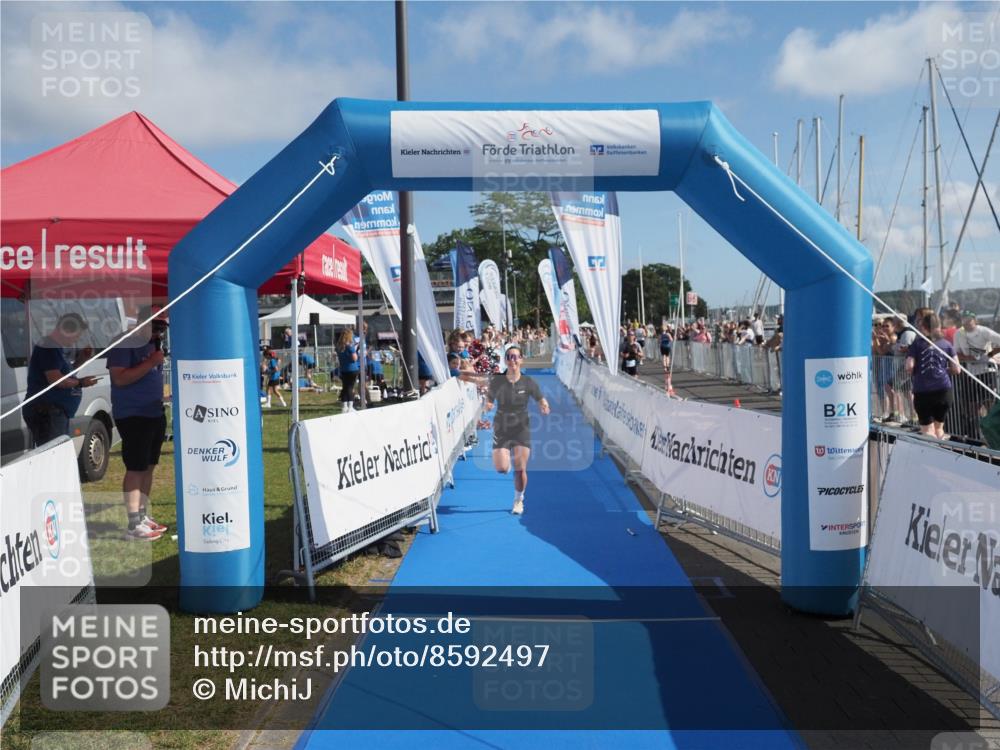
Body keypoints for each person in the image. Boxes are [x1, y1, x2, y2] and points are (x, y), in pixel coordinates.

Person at [106, 306, 169, 541]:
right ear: (143, 322)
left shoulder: (154, 344)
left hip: (154, 411)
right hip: (133, 415)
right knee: (135, 467)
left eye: (163, 328)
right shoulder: (125, 342)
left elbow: (150, 377)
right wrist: (152, 361)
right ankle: (133, 523)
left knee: (149, 466)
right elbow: (120, 378)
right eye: (156, 326)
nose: (160, 333)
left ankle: (142, 515)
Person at [485, 345, 550, 515]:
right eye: (509, 356)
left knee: (520, 468)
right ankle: (505, 463)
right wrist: (488, 404)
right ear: (505, 360)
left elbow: (540, 399)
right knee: (501, 468)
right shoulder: (497, 380)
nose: (512, 360)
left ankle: (518, 500)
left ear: (521, 359)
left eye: (515, 357)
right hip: (501, 428)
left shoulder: (528, 382)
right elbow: (489, 399)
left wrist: (544, 406)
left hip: (521, 427)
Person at [23, 313, 99, 446]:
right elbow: (56, 379)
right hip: (47, 412)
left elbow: (67, 374)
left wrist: (82, 359)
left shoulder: (56, 348)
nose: (75, 341)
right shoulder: (48, 347)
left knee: (57, 453)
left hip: (55, 412)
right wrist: (81, 383)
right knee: (53, 455)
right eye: (76, 336)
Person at [906, 313, 959, 440]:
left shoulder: (917, 344)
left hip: (923, 391)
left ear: (923, 327)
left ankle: (930, 456)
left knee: (927, 431)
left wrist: (915, 372)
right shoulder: (947, 344)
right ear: (939, 326)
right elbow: (957, 369)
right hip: (943, 391)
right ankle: (942, 455)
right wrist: (944, 370)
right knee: (939, 429)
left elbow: (909, 366)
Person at [336, 328, 360, 412]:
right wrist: (356, 351)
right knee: (350, 388)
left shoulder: (338, 347)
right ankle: (350, 407)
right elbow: (354, 358)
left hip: (343, 369)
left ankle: (344, 406)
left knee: (345, 387)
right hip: (352, 369)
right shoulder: (350, 346)